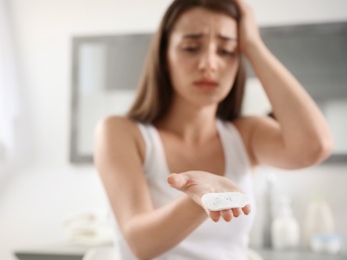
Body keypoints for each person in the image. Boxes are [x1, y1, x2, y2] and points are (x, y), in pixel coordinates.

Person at [94, 0, 333, 259]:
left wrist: (253, 45)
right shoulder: (121, 132)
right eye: (191, 47)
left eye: (227, 50)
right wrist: (203, 201)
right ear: (164, 55)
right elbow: (141, 243)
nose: (209, 63)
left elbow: (315, 146)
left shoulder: (245, 134)